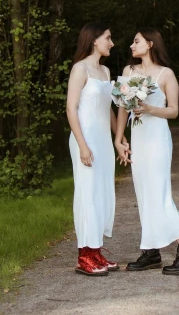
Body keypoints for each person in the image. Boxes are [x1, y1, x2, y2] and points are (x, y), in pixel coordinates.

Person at [114, 27, 179, 275]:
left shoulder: (166, 75)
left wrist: (150, 109)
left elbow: (173, 111)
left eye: (136, 41)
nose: (132, 45)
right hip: (138, 137)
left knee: (158, 193)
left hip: (157, 138)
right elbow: (123, 107)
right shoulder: (128, 72)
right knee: (143, 193)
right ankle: (151, 252)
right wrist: (119, 138)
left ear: (150, 44)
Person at [66, 22, 121, 276]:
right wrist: (82, 145)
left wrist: (119, 138)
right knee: (87, 194)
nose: (111, 42)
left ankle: (96, 250)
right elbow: (71, 108)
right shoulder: (81, 69)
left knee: (101, 193)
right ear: (94, 40)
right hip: (85, 138)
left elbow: (108, 109)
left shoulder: (106, 71)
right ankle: (84, 256)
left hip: (102, 141)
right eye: (108, 38)